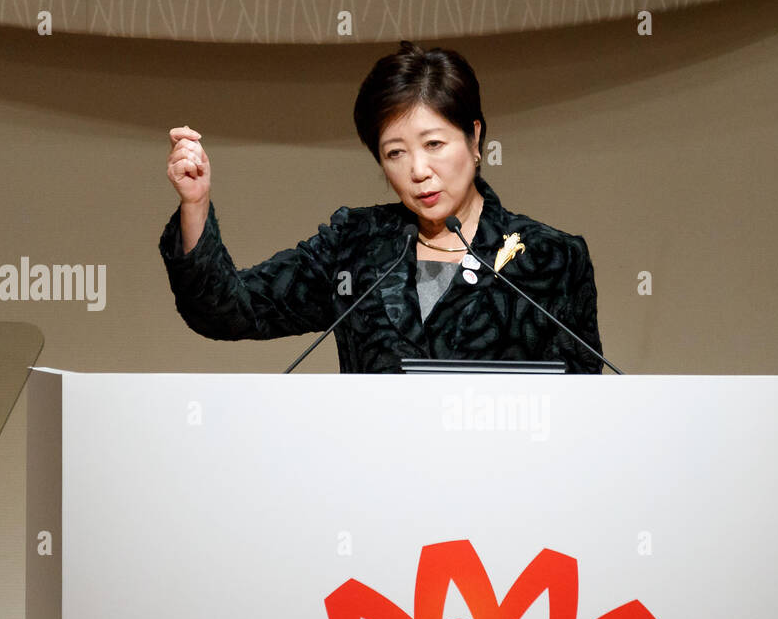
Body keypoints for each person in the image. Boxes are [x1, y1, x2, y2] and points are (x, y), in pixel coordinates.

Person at [158, 40, 604, 373]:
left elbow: (584, 408)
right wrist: (195, 203)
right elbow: (228, 310)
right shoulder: (354, 245)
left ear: (475, 138)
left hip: (499, 487)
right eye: (395, 153)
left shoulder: (552, 258)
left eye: (434, 144)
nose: (419, 170)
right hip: (370, 486)